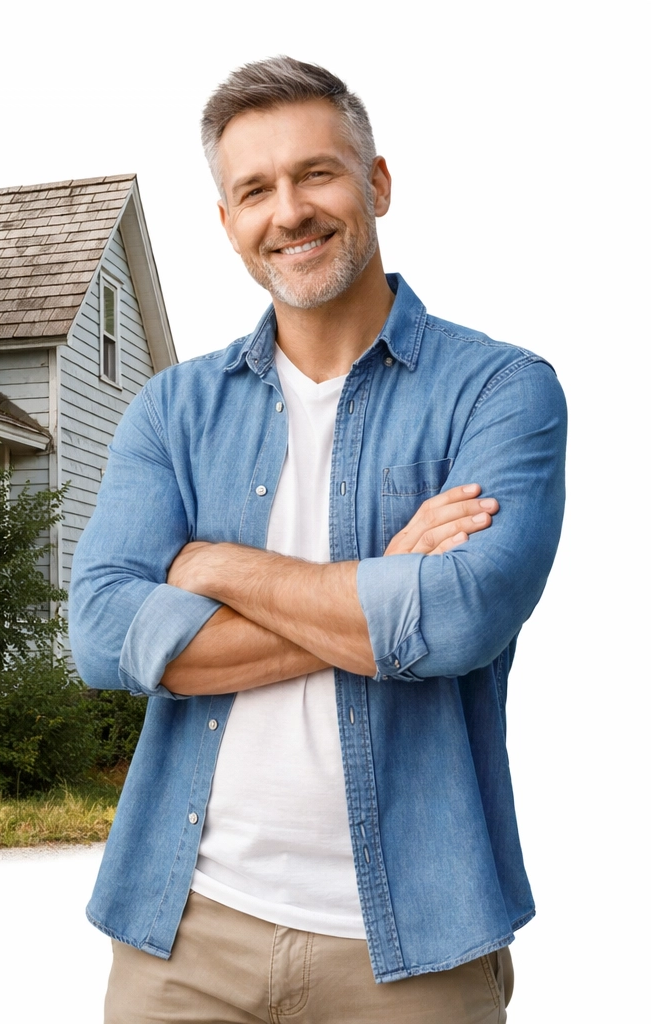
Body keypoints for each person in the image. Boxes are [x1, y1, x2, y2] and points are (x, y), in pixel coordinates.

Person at [69, 56, 566, 1023]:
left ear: (375, 183)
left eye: (317, 174)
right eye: (254, 189)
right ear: (228, 225)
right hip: (186, 929)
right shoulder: (173, 410)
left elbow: (460, 621)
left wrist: (210, 567)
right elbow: (100, 633)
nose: (288, 210)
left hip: (417, 945)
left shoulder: (501, 391)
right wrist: (383, 589)